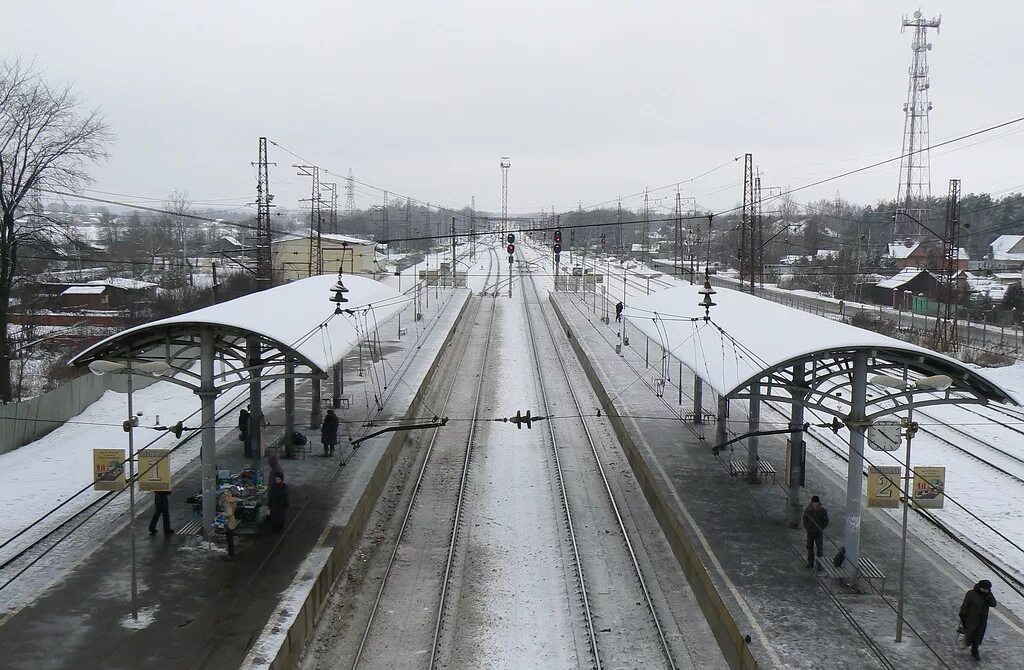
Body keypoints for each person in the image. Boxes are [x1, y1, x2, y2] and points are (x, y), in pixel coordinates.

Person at [960, 579, 997, 660]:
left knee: (978, 636)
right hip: (971, 619)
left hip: (982, 620)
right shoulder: (971, 593)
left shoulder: (988, 595)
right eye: (985, 589)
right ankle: (969, 646)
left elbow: (994, 604)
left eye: (988, 589)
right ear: (980, 587)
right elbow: (964, 606)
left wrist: (989, 596)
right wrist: (962, 617)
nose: (986, 590)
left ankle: (974, 651)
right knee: (970, 634)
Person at [803, 495, 829, 569]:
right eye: (813, 504)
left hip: (818, 533)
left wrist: (821, 528)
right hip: (810, 532)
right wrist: (807, 528)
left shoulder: (823, 511)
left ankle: (819, 564)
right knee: (809, 548)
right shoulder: (808, 510)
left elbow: (826, 521)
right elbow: (804, 519)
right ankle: (810, 562)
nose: (814, 505)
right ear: (811, 503)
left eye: (816, 504)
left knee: (819, 549)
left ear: (818, 503)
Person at [221, 489, 239, 560]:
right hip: (232, 521)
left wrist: (222, 514)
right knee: (230, 539)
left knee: (229, 539)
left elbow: (229, 513)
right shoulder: (233, 501)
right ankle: (231, 554)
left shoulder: (227, 503)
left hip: (229, 522)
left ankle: (230, 555)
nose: (222, 498)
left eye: (223, 497)